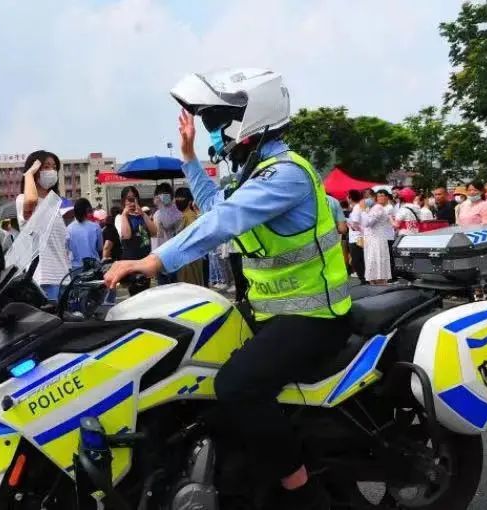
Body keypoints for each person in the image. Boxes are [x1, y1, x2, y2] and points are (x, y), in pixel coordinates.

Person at [105, 68, 351, 509]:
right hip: (270, 313)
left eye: (218, 121)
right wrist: (188, 157)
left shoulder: (286, 175)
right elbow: (219, 205)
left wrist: (153, 260)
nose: (214, 132)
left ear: (250, 119)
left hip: (315, 318)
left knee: (236, 387)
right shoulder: (256, 174)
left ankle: (304, 493)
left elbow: (221, 222)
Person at [16, 150, 71, 302]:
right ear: (35, 171)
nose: (51, 171)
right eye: (46, 167)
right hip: (43, 279)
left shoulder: (54, 204)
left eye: (54, 167)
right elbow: (31, 199)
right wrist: (28, 174)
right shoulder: (22, 200)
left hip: (63, 279)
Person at [115, 185, 156, 296]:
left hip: (145, 262)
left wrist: (142, 213)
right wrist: (125, 213)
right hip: (132, 265)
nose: (132, 202)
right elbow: (127, 235)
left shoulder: (142, 215)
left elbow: (154, 232)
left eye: (134, 198)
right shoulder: (120, 218)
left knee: (146, 295)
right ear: (123, 200)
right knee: (136, 296)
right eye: (129, 199)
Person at [174, 187, 205, 287]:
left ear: (189, 201)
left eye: (181, 198)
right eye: (176, 198)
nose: (178, 201)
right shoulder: (185, 215)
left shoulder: (190, 216)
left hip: (189, 260)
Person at [152, 182, 182, 285]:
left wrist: (161, 206)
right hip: (159, 255)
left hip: (172, 255)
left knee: (173, 286)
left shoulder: (176, 211)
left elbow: (167, 223)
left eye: (165, 194)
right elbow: (156, 235)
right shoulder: (157, 213)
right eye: (160, 194)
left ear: (171, 195)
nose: (162, 197)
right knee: (162, 287)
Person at [361, 191, 393, 284]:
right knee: (371, 262)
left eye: (368, 197)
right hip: (371, 239)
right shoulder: (372, 208)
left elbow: (368, 223)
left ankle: (380, 284)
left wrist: (363, 211)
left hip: (377, 240)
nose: (366, 200)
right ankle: (375, 284)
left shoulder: (378, 208)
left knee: (377, 262)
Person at [67, 198, 103, 269]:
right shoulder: (95, 227)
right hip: (94, 266)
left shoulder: (68, 229)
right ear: (87, 210)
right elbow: (100, 247)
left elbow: (67, 249)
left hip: (75, 267)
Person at [346, 189, 366, 284]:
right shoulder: (358, 207)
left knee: (356, 259)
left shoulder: (357, 208)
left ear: (350, 198)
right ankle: (364, 278)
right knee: (360, 258)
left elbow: (355, 223)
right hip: (359, 236)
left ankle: (363, 279)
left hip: (357, 237)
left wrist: (348, 222)